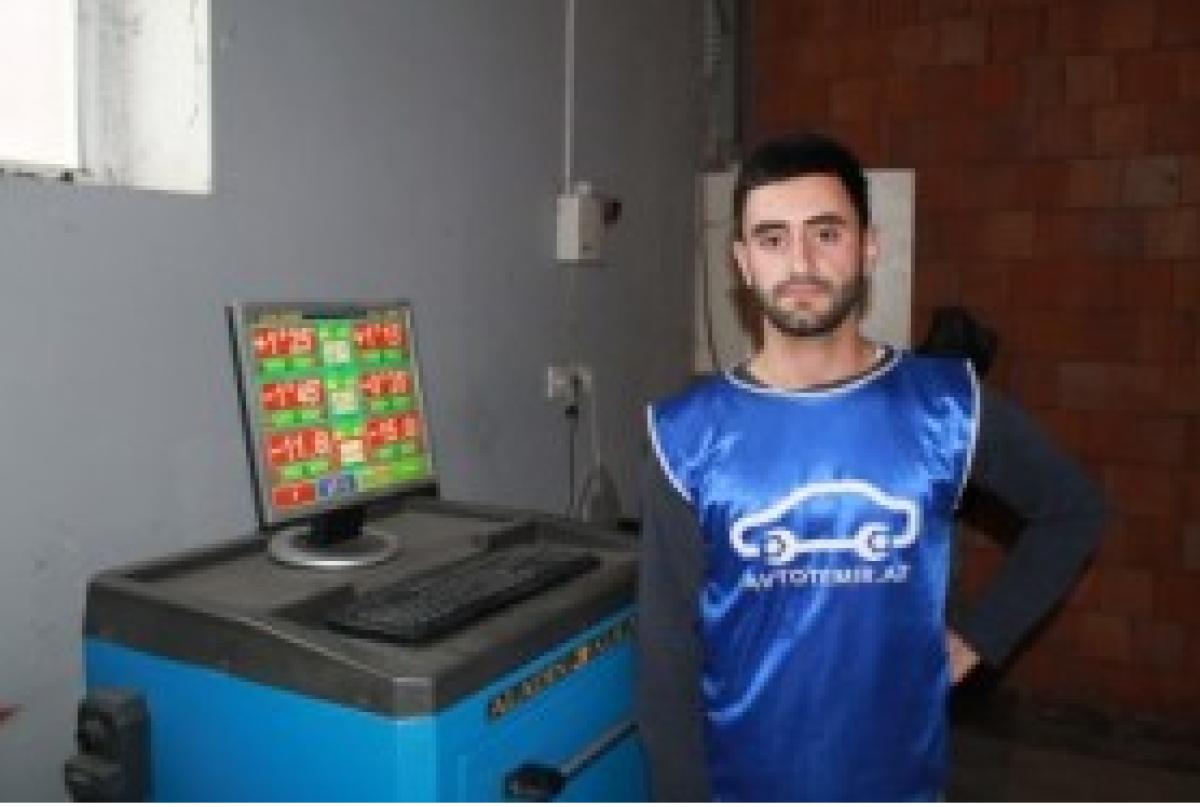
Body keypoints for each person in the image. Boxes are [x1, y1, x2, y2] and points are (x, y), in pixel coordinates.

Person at [637, 132, 1106, 801]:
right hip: (744, 783)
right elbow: (667, 655)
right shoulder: (684, 436)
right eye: (772, 238)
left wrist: (980, 636)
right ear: (742, 261)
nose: (800, 261)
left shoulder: (947, 406)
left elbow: (1073, 510)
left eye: (825, 233)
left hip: (898, 781)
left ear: (869, 246)